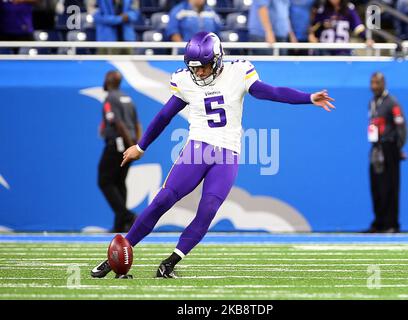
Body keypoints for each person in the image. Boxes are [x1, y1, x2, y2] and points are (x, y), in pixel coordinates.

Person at [91, 31, 335, 279]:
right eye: (194, 68)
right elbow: (164, 116)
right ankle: (116, 256)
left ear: (218, 59)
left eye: (204, 67)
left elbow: (271, 92)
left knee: (208, 208)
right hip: (197, 149)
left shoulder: (237, 72)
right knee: (163, 199)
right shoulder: (185, 80)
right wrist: (141, 146)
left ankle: (170, 263)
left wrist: (308, 98)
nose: (199, 73)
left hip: (227, 154)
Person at [98, 70, 141, 233]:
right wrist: (136, 145)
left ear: (109, 80)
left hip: (117, 144)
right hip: (128, 144)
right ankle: (120, 225)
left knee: (105, 181)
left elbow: (117, 123)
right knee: (119, 182)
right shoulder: (128, 99)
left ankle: (127, 216)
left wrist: (130, 144)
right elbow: (137, 124)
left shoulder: (110, 98)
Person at [366, 72, 408, 233]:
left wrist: (398, 147)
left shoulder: (391, 102)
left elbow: (402, 127)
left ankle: (392, 223)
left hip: (389, 147)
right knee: (376, 186)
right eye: (371, 83)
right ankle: (379, 222)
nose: (373, 86)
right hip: (376, 147)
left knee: (390, 186)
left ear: (383, 83)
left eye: (376, 83)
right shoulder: (372, 102)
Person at [308, 0, 373, 55]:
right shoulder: (323, 8)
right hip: (324, 50)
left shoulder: (348, 8)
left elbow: (358, 27)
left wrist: (366, 38)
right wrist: (321, 27)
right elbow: (314, 28)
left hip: (343, 50)